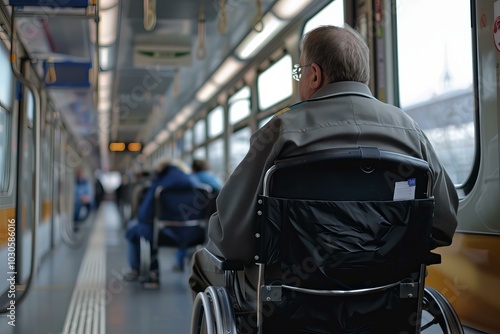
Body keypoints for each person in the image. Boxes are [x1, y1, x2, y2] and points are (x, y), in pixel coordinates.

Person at [189, 24, 458, 311]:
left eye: (299, 72)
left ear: (315, 75)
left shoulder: (281, 131)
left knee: (201, 263)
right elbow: (442, 225)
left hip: (288, 298)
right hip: (386, 294)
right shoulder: (410, 131)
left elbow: (231, 240)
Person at [123, 159, 200, 288]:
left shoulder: (159, 186)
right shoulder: (195, 183)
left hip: (163, 233)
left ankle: (143, 271)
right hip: (193, 233)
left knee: (134, 228)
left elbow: (145, 213)